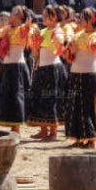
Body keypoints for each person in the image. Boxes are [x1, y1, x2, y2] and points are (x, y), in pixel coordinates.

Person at [64, 9, 96, 148]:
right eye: (79, 18)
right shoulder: (77, 35)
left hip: (90, 73)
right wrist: (71, 51)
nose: (79, 21)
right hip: (76, 73)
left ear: (91, 20)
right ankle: (78, 137)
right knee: (74, 106)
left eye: (83, 18)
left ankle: (91, 139)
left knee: (89, 107)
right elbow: (67, 56)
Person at [0, 6, 32, 132]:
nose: (10, 15)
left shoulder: (23, 29)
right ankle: (10, 122)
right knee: (7, 94)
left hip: (17, 66)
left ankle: (16, 126)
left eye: (13, 13)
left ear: (19, 16)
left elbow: (29, 26)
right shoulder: (8, 29)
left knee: (16, 95)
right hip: (7, 65)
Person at [28, 8, 66, 140]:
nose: (43, 18)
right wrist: (34, 40)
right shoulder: (42, 31)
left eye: (46, 16)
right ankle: (43, 129)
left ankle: (53, 133)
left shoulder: (58, 31)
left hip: (52, 68)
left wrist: (58, 39)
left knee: (51, 99)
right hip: (41, 67)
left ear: (54, 17)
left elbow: (60, 45)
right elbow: (35, 53)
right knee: (38, 97)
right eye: (43, 16)